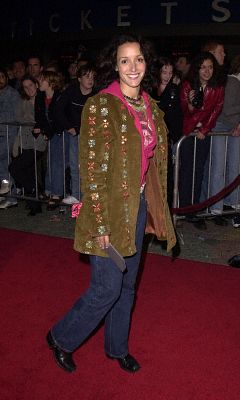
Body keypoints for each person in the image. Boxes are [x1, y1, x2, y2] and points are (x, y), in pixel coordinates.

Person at [46, 34, 176, 374]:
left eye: (138, 59)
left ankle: (117, 348)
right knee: (107, 288)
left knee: (128, 286)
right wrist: (100, 223)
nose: (132, 67)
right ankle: (61, 337)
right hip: (106, 210)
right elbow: (91, 170)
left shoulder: (149, 104)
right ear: (114, 66)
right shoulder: (102, 106)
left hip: (138, 209)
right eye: (124, 60)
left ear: (146, 64)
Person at [179, 52, 225, 229]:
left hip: (204, 133)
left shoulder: (218, 87)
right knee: (186, 171)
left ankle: (194, 210)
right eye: (203, 67)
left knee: (199, 171)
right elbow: (186, 112)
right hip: (187, 133)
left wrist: (205, 129)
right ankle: (183, 209)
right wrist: (191, 102)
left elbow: (216, 110)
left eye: (210, 67)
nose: (207, 71)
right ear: (197, 69)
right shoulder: (188, 85)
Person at [54, 63, 95, 205]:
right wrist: (68, 126)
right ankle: (77, 195)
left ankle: (91, 198)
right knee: (74, 165)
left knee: (91, 167)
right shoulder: (72, 91)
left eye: (92, 77)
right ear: (79, 78)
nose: (90, 80)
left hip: (92, 136)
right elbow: (58, 109)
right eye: (86, 76)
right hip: (75, 135)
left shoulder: (97, 94)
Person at [207, 55, 240, 225]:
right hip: (221, 127)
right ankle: (216, 206)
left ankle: (232, 204)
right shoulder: (233, 81)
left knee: (234, 167)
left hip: (233, 127)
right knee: (219, 167)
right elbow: (228, 109)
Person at [8, 75, 47, 215]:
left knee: (14, 167)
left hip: (38, 142)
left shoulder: (42, 99)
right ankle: (34, 206)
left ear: (36, 85)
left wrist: (32, 121)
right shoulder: (23, 101)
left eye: (30, 85)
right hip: (25, 141)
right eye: (25, 87)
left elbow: (40, 118)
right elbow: (18, 118)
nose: (29, 89)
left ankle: (34, 189)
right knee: (28, 172)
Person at [152, 56, 183, 206]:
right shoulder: (151, 89)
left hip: (169, 136)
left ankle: (167, 205)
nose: (167, 76)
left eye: (170, 73)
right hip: (153, 136)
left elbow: (175, 115)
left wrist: (173, 136)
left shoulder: (174, 89)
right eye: (164, 72)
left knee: (168, 173)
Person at [33, 71, 64, 209]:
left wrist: (49, 131)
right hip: (49, 133)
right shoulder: (40, 97)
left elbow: (60, 118)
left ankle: (56, 193)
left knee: (56, 162)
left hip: (59, 133)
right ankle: (48, 190)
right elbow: (39, 116)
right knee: (49, 161)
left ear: (50, 82)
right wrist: (40, 127)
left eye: (41, 80)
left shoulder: (59, 97)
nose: (38, 82)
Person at [0, 67, 20, 209]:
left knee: (5, 163)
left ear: (6, 78)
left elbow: (14, 118)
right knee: (3, 166)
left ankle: (11, 195)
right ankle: (9, 196)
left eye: (1, 76)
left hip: (8, 134)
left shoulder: (12, 94)